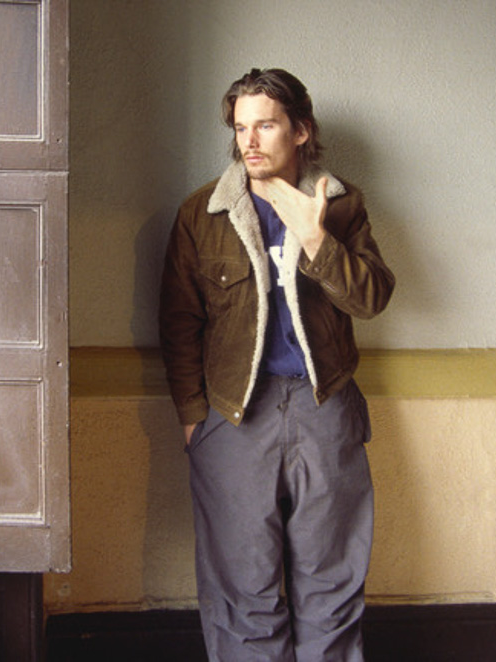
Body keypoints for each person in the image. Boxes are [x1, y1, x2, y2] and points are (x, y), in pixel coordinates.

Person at [159, 68, 395, 661]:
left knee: (331, 581)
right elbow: (179, 323)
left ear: (301, 131)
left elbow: (371, 299)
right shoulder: (201, 213)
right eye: (241, 127)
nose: (250, 140)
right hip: (234, 417)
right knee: (243, 589)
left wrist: (317, 240)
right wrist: (194, 417)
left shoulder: (340, 207)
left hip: (325, 408)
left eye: (265, 124)